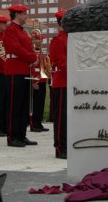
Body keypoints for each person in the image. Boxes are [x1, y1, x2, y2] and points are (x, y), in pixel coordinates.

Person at [3, 5, 38, 147]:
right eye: (24, 14)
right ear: (17, 15)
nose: (26, 16)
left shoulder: (23, 31)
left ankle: (21, 135)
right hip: (14, 70)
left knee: (23, 106)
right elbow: (15, 48)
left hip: (24, 70)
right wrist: (32, 57)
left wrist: (32, 57)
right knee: (14, 106)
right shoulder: (10, 30)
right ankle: (12, 137)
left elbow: (27, 48)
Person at [49, 9, 67, 159]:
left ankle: (66, 145)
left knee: (68, 118)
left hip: (69, 82)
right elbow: (62, 63)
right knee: (61, 118)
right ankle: (60, 148)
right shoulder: (57, 40)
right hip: (61, 83)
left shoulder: (69, 38)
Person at [29, 29, 50, 132]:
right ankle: (34, 124)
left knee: (41, 103)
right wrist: (34, 81)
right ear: (33, 40)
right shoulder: (31, 52)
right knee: (35, 104)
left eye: (41, 40)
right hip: (36, 81)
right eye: (38, 39)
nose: (40, 42)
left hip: (42, 80)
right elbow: (32, 68)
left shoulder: (40, 52)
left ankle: (39, 123)